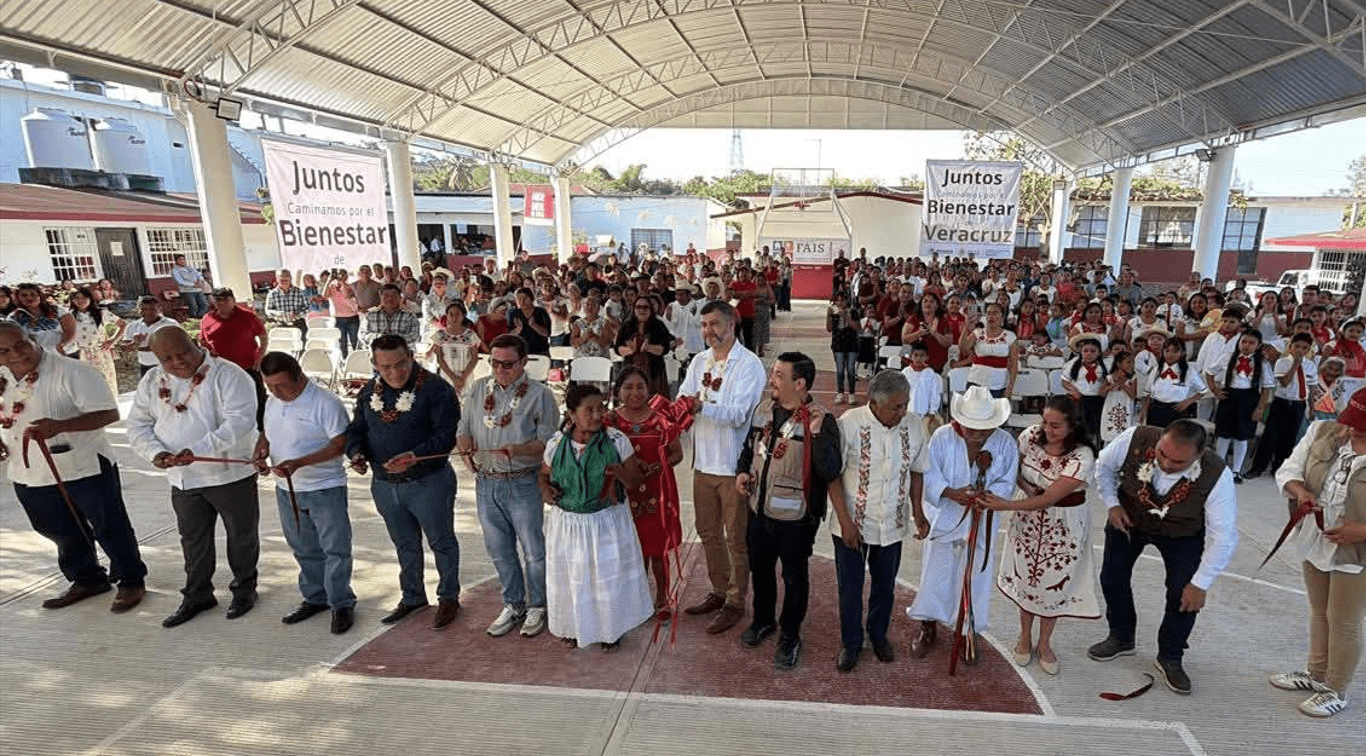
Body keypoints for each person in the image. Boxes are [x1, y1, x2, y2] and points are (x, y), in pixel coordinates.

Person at [0, 322, 148, 612]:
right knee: (56, 529)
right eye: (4, 351)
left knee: (109, 526)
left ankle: (131, 580)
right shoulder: (2, 377)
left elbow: (109, 413)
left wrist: (60, 426)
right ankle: (87, 579)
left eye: (20, 344)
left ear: (33, 338)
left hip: (83, 466)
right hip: (28, 471)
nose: (15, 354)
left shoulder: (73, 371)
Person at [1088, 420, 1238, 695]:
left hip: (1182, 533)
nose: (1166, 464)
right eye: (1161, 454)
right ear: (1158, 442)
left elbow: (1224, 537)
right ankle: (1121, 637)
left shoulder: (1217, 474)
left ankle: (1170, 655)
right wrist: (1112, 504)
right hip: (1129, 517)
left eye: (1178, 462)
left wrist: (1201, 583)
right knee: (1112, 577)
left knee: (1183, 595)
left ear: (1198, 455)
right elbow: (1104, 467)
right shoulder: (1135, 438)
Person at [125, 327, 260, 628]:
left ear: (197, 343)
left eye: (182, 352)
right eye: (167, 358)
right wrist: (154, 452)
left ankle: (244, 590)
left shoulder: (229, 374)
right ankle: (197, 595)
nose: (177, 362)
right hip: (183, 478)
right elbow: (137, 425)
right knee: (193, 540)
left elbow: (240, 422)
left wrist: (197, 451)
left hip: (229, 474)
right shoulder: (152, 380)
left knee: (241, 536)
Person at [346, 335, 462, 630]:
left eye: (400, 364)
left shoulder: (437, 389)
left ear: (411, 356)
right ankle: (412, 596)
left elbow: (446, 435)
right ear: (374, 364)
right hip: (385, 484)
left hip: (428, 482)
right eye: (385, 367)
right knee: (404, 544)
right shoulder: (370, 391)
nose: (394, 373)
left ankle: (449, 597)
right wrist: (356, 453)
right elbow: (356, 429)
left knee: (441, 542)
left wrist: (416, 455)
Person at [735, 352, 840, 671]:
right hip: (758, 511)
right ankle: (763, 620)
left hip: (796, 519)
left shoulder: (821, 418)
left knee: (794, 578)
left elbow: (829, 469)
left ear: (800, 383)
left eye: (779, 375)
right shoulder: (764, 410)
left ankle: (790, 635)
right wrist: (742, 471)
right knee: (760, 570)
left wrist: (817, 434)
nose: (772, 380)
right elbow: (749, 448)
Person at [983, 396, 1098, 676]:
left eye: (1055, 425)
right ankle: (1024, 636)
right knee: (1027, 578)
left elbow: (1049, 498)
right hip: (1027, 520)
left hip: (1063, 525)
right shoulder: (1031, 435)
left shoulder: (1083, 455)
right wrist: (1025, 486)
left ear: (1073, 426)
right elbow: (1014, 470)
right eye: (1045, 421)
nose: (1047, 429)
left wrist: (1004, 505)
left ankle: (1045, 642)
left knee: (1052, 584)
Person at [455, 334, 561, 638]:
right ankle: (514, 604)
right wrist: (465, 450)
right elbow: (463, 429)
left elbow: (548, 443)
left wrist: (519, 449)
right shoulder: (478, 388)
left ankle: (538, 605)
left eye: (508, 364)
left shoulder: (541, 395)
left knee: (533, 551)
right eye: (495, 363)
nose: (500, 370)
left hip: (523, 482)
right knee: (499, 550)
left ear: (524, 362)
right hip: (486, 482)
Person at [1271, 387, 1366, 718]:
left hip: (1357, 553)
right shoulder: (1322, 430)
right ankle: (1316, 674)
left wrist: (1361, 532)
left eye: (1362, 426)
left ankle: (1336, 689)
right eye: (1351, 421)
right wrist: (1300, 491)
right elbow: (1288, 470)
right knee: (1319, 610)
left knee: (1345, 621)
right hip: (1316, 537)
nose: (1352, 430)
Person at [538, 383, 653, 650]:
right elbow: (543, 474)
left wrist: (621, 473)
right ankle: (572, 626)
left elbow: (636, 481)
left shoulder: (616, 441)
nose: (597, 415)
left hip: (606, 522)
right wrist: (545, 489)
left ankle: (611, 631)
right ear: (572, 414)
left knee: (606, 579)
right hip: (568, 525)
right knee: (572, 578)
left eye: (600, 408)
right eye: (588, 410)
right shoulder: (556, 444)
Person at [828, 370, 929, 672]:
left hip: (892, 524)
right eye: (896, 407)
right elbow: (833, 475)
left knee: (885, 587)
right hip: (853, 524)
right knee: (850, 588)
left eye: (905, 404)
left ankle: (878, 634)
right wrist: (845, 521)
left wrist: (918, 512)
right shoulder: (849, 424)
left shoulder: (914, 426)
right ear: (874, 402)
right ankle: (851, 643)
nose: (903, 412)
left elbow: (917, 471)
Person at [908, 386, 1018, 661]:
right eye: (971, 428)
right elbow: (929, 473)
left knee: (977, 573)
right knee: (936, 571)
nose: (976, 435)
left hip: (982, 517)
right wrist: (950, 492)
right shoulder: (943, 436)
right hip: (946, 516)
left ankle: (969, 628)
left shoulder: (1005, 442)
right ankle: (928, 625)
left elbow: (1008, 479)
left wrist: (988, 497)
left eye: (983, 430)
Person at [678, 301, 767, 634]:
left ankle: (735, 601)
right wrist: (680, 410)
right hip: (703, 463)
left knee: (736, 539)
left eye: (714, 324)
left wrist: (700, 406)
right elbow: (684, 396)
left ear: (732, 324)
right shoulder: (699, 361)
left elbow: (739, 414)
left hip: (733, 466)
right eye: (704, 325)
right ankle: (719, 589)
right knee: (708, 532)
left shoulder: (749, 364)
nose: (708, 331)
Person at [254, 352, 356, 634]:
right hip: (286, 488)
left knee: (335, 549)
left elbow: (340, 445)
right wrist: (261, 450)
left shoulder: (326, 402)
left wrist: (300, 462)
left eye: (281, 385)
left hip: (325, 486)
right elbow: (268, 433)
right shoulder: (272, 401)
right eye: (269, 386)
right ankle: (315, 597)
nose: (276, 392)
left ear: (299, 376)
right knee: (302, 546)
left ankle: (341, 602)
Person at [605, 366, 685, 617]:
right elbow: (600, 455)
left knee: (658, 550)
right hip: (624, 495)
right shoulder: (610, 421)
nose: (635, 392)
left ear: (649, 390)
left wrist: (658, 466)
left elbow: (677, 454)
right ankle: (636, 600)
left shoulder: (661, 419)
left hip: (656, 494)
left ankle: (662, 597)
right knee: (631, 550)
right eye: (628, 387)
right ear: (618, 391)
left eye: (640, 387)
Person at [1205, 327, 1274, 483]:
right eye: (1243, 341)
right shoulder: (1228, 356)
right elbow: (1209, 372)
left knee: (1242, 436)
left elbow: (1266, 388)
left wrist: (1260, 408)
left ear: (1258, 345)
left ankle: (1236, 470)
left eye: (1251, 343)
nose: (1246, 345)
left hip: (1249, 399)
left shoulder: (1262, 363)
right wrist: (1215, 389)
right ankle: (1220, 467)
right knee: (1224, 434)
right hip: (1228, 396)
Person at [1247, 332, 1318, 479]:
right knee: (1270, 436)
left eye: (1304, 348)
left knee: (1289, 439)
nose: (1300, 350)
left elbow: (1312, 388)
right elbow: (1284, 382)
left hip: (1299, 404)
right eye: (1297, 346)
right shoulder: (1282, 362)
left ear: (1308, 350)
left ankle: (1278, 468)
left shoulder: (1310, 365)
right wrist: (1295, 364)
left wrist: (1312, 407)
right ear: (1290, 347)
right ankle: (1257, 468)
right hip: (1282, 402)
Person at [199, 288, 268, 425]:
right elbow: (202, 341)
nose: (222, 303)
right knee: (228, 401)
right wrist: (209, 352)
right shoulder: (208, 319)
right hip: (222, 370)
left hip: (248, 366)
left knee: (257, 398)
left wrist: (260, 357)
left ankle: (263, 428)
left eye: (226, 299)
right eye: (218, 300)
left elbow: (263, 337)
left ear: (233, 300)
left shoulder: (248, 316)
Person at [68, 287, 124, 397]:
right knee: (87, 386)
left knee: (107, 384)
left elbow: (123, 324)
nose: (80, 300)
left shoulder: (101, 313)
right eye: (77, 298)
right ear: (73, 301)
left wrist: (112, 341)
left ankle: (111, 406)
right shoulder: (70, 316)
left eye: (84, 297)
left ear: (90, 299)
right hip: (82, 355)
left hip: (102, 354)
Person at [615, 295, 672, 397]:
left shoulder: (659, 325)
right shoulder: (626, 326)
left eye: (645, 307)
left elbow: (665, 348)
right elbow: (617, 348)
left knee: (655, 402)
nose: (642, 310)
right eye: (638, 307)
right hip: (630, 370)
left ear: (650, 309)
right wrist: (629, 350)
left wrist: (648, 348)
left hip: (654, 372)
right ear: (634, 309)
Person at [1143, 337, 1206, 428]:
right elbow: (1148, 393)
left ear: (1183, 353)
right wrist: (1144, 411)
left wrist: (1188, 402)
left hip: (1177, 410)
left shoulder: (1189, 371)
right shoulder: (1156, 370)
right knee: (1156, 434)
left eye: (1175, 351)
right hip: (1156, 409)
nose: (1170, 354)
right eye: (1167, 351)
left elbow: (1203, 391)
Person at [961, 301, 1019, 398]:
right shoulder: (977, 332)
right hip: (975, 381)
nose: (991, 316)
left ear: (1002, 317)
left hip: (998, 385)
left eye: (995, 313)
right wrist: (966, 327)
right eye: (989, 313)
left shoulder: (1010, 336)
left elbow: (1014, 365)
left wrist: (1010, 388)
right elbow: (963, 348)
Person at [428, 300, 482, 397]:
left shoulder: (470, 335)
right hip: (447, 375)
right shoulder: (440, 335)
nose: (454, 317)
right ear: (446, 316)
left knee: (466, 402)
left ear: (463, 315)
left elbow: (474, 358)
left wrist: (462, 379)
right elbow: (440, 359)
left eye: (457, 314)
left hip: (466, 375)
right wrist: (454, 378)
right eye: (451, 314)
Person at [8, 282, 76, 357]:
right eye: (24, 295)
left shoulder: (57, 310)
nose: (29, 298)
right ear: (18, 298)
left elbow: (71, 330)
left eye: (33, 294)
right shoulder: (14, 317)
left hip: (65, 353)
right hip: (38, 356)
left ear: (40, 296)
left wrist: (62, 345)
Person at [122, 296, 179, 376]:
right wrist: (135, 342)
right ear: (138, 310)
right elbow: (126, 348)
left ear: (159, 309)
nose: (148, 312)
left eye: (152, 309)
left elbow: (181, 344)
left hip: (168, 366)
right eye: (143, 309)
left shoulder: (171, 324)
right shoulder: (132, 326)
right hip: (144, 366)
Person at [360, 284, 421, 349]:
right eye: (386, 295)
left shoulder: (410, 316)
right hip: (376, 351)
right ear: (380, 297)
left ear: (400, 298)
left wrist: (393, 340)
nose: (389, 298)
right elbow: (363, 334)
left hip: (400, 352)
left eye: (393, 295)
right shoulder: (370, 316)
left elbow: (414, 336)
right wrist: (381, 337)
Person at [827, 291, 859, 405]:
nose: (840, 303)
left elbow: (857, 327)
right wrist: (829, 316)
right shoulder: (833, 313)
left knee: (850, 369)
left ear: (846, 301)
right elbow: (829, 329)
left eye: (842, 300)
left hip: (851, 345)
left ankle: (851, 393)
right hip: (838, 344)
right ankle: (840, 392)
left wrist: (846, 316)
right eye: (838, 300)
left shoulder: (853, 311)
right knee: (840, 370)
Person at [324, 269, 360, 357]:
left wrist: (342, 283)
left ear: (347, 277)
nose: (341, 277)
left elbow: (347, 295)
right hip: (339, 318)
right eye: (339, 275)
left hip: (352, 317)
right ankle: (344, 359)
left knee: (354, 340)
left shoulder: (350, 286)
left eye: (343, 275)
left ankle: (357, 358)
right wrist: (329, 280)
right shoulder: (332, 287)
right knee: (342, 342)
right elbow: (325, 295)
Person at [265, 270, 310, 338]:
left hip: (298, 324)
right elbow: (268, 311)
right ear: (277, 279)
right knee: (284, 344)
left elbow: (307, 307)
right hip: (281, 325)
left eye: (286, 280)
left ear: (290, 279)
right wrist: (281, 314)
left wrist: (297, 313)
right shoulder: (272, 294)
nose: (284, 282)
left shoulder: (299, 292)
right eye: (281, 280)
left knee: (302, 343)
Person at [508, 287, 552, 357]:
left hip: (541, 350)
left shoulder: (541, 312)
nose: (522, 302)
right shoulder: (513, 313)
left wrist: (534, 325)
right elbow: (509, 335)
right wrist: (518, 329)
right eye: (519, 299)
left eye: (525, 299)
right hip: (521, 351)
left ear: (531, 298)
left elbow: (547, 333)